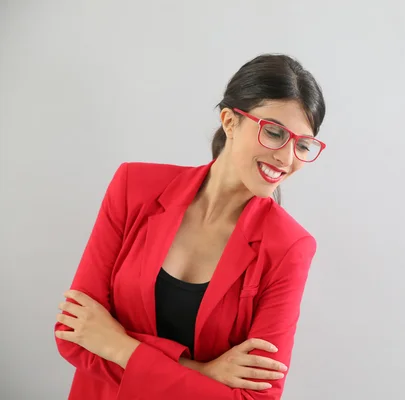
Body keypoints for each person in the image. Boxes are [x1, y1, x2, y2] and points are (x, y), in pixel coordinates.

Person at [53, 53, 327, 400]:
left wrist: (118, 345)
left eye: (302, 144)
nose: (287, 159)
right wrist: (200, 371)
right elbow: (73, 332)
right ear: (229, 121)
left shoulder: (289, 247)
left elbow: (256, 398)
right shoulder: (133, 187)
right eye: (274, 133)